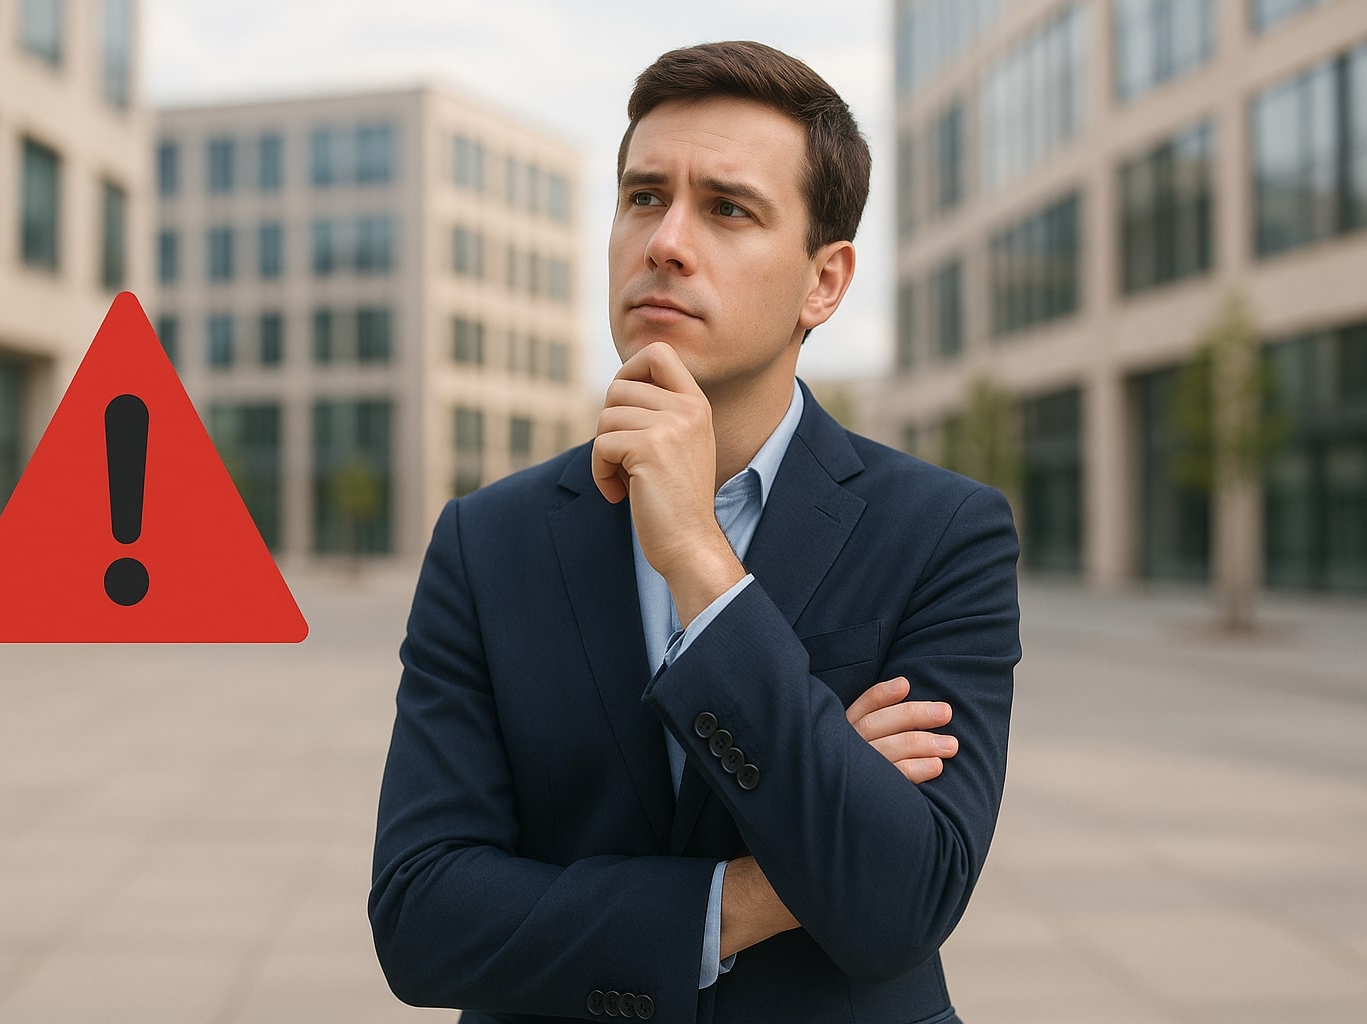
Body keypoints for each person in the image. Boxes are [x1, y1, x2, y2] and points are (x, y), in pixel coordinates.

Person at [370, 40, 1021, 1024]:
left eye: (727, 208)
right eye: (642, 197)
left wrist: (701, 564)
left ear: (825, 282)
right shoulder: (485, 540)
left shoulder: (944, 533)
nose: (665, 240)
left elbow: (899, 904)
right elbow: (423, 919)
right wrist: (756, 889)